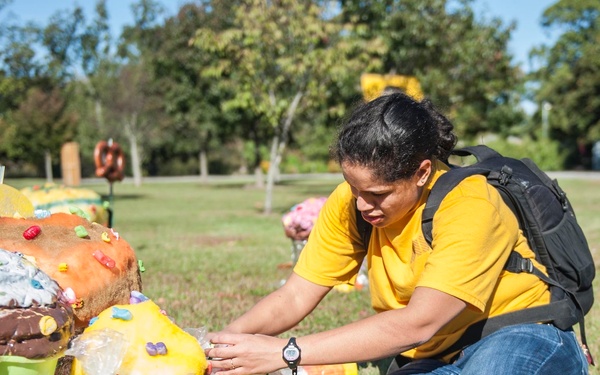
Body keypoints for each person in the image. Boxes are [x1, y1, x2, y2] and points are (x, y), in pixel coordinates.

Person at [206, 92, 589, 374]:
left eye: (377, 194)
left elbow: (418, 322)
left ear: (422, 172)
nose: (361, 204)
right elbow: (293, 297)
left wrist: (286, 353)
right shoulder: (351, 203)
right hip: (433, 353)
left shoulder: (472, 204)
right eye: (353, 188)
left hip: (518, 335)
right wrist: (219, 345)